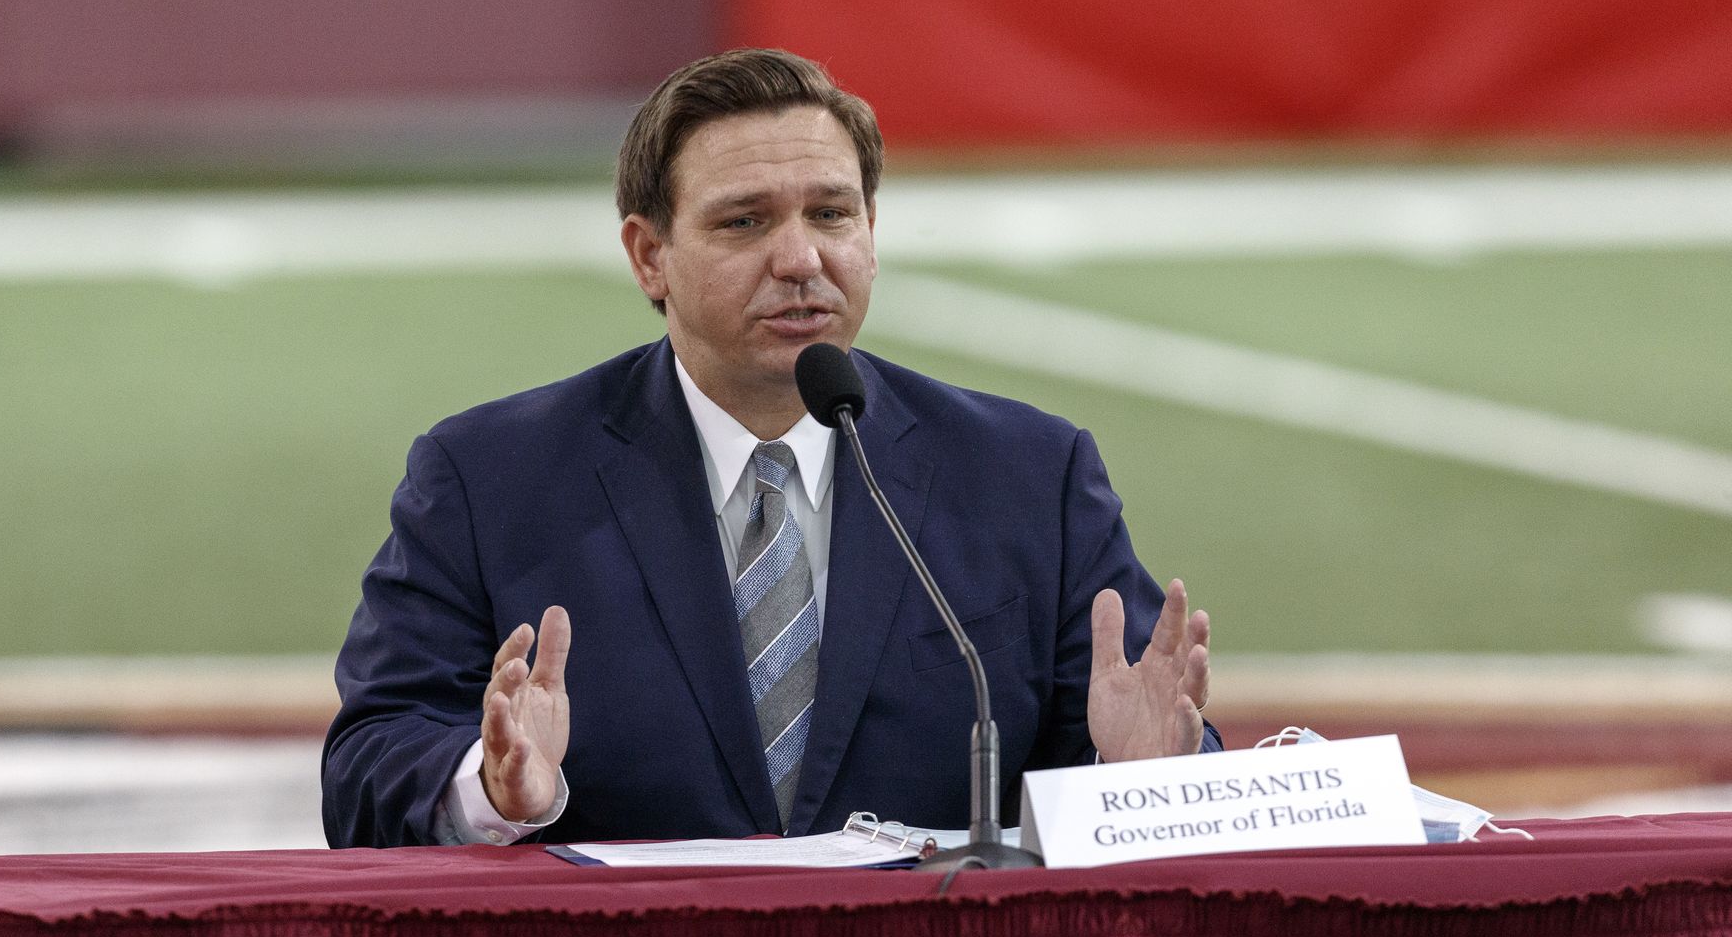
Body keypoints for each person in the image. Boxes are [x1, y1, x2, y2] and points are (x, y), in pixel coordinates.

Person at [323, 48, 1220, 849]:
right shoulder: (490, 478)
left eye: (831, 214)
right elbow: (367, 767)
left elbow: (1148, 742)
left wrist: (1139, 776)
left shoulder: (1031, 474)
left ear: (871, 230)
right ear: (649, 256)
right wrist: (491, 788)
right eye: (744, 222)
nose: (799, 258)